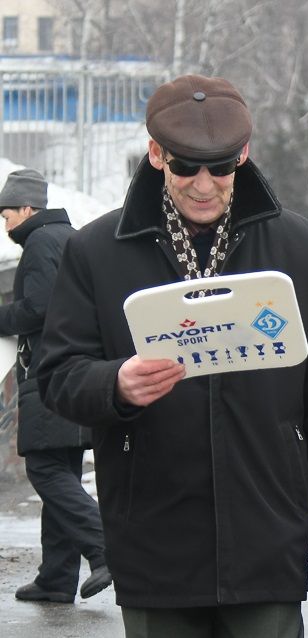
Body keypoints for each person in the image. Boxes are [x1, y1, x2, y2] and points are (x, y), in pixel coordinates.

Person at [36, 75, 308, 637]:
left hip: (267, 534)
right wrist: (116, 385)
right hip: (153, 537)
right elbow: (57, 375)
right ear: (156, 155)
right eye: (185, 167)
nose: (205, 184)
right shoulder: (96, 251)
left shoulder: (297, 246)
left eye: (222, 167)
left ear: (243, 155)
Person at [0, 169, 111, 604]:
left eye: (7, 215)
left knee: (44, 469)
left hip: (50, 372)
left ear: (27, 209)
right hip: (78, 371)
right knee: (60, 471)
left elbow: (39, 308)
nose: (6, 225)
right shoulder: (71, 238)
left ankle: (104, 546)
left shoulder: (42, 241)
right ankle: (55, 578)